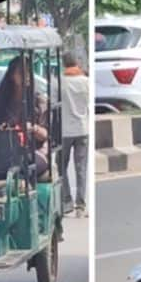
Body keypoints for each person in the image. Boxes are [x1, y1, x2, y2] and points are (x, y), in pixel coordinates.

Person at [0, 56, 50, 175]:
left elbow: (47, 135)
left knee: (30, 165)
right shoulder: (0, 102)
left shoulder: (39, 101)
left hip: (32, 151)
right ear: (12, 76)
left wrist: (33, 128)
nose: (27, 75)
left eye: (29, 71)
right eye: (21, 72)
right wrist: (2, 131)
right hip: (4, 151)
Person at [60, 51, 89, 217]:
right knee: (81, 168)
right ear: (76, 63)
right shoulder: (86, 82)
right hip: (83, 129)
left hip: (65, 131)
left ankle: (67, 201)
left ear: (64, 64)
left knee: (62, 167)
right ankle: (80, 206)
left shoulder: (60, 82)